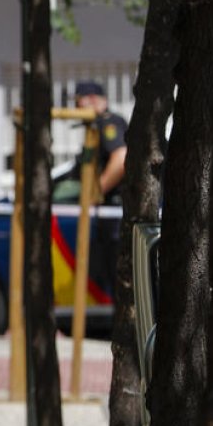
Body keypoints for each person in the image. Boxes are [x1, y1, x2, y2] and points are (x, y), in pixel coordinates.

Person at [74, 80, 127, 294]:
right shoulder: (96, 126)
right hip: (109, 216)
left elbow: (121, 158)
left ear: (92, 100)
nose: (77, 110)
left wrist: (94, 194)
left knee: (120, 278)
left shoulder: (108, 123)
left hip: (115, 214)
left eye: (79, 103)